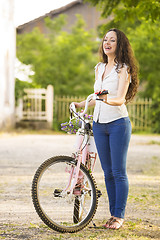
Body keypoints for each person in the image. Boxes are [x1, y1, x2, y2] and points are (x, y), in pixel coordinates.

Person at [72, 28, 139, 230]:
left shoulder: (123, 68)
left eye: (113, 40)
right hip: (99, 125)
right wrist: (80, 103)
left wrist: (105, 99)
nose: (107, 43)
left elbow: (120, 98)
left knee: (119, 172)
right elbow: (94, 97)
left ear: (120, 45)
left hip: (118, 124)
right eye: (105, 40)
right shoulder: (99, 67)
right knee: (108, 173)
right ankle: (112, 215)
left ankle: (119, 216)